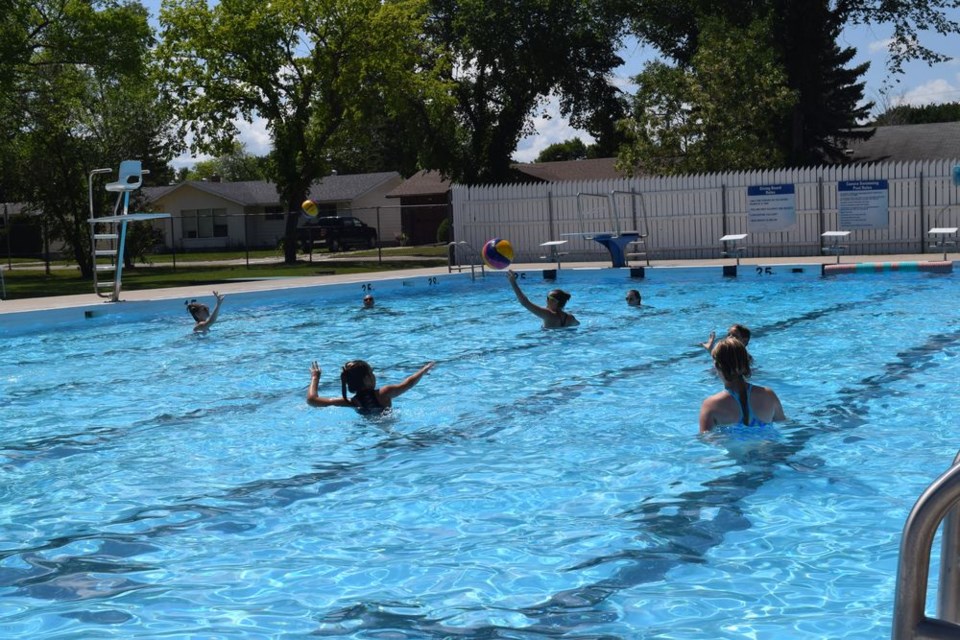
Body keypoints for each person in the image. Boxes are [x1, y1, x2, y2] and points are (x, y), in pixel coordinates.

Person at [699, 336, 785, 433]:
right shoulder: (768, 395)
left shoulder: (711, 404)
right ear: (746, 362)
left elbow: (706, 440)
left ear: (717, 366)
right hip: (769, 446)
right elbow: (784, 424)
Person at [306, 359, 435, 414]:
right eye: (372, 373)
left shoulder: (351, 402)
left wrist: (315, 377)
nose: (374, 375)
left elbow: (312, 400)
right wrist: (423, 371)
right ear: (368, 378)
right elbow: (409, 383)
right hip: (387, 424)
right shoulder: (384, 393)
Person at [506, 269, 579, 328]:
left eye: (548, 298)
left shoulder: (548, 314)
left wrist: (513, 283)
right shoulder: (570, 318)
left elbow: (525, 302)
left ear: (555, 301)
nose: (546, 300)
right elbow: (578, 325)